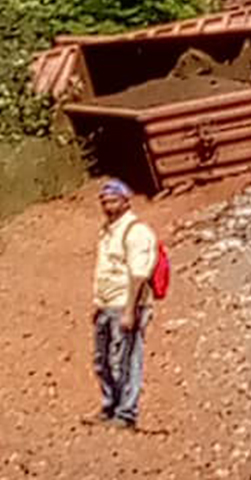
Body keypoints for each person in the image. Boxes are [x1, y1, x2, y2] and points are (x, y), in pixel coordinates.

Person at [84, 178, 157, 430]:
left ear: (126, 201)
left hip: (127, 304)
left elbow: (139, 274)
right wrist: (98, 304)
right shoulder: (106, 231)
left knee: (125, 359)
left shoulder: (136, 232)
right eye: (104, 201)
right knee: (101, 360)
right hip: (107, 304)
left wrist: (130, 311)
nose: (107, 205)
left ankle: (126, 413)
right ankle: (109, 406)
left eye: (113, 200)